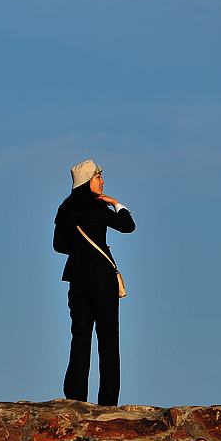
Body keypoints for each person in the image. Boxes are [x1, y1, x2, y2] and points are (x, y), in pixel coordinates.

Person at [53, 159, 135, 406]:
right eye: (99, 177)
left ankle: (76, 397)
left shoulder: (65, 209)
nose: (102, 182)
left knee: (80, 337)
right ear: (89, 180)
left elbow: (58, 245)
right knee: (108, 339)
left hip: (77, 279)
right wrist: (116, 203)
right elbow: (128, 226)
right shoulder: (97, 206)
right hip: (102, 278)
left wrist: (80, 251)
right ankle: (108, 401)